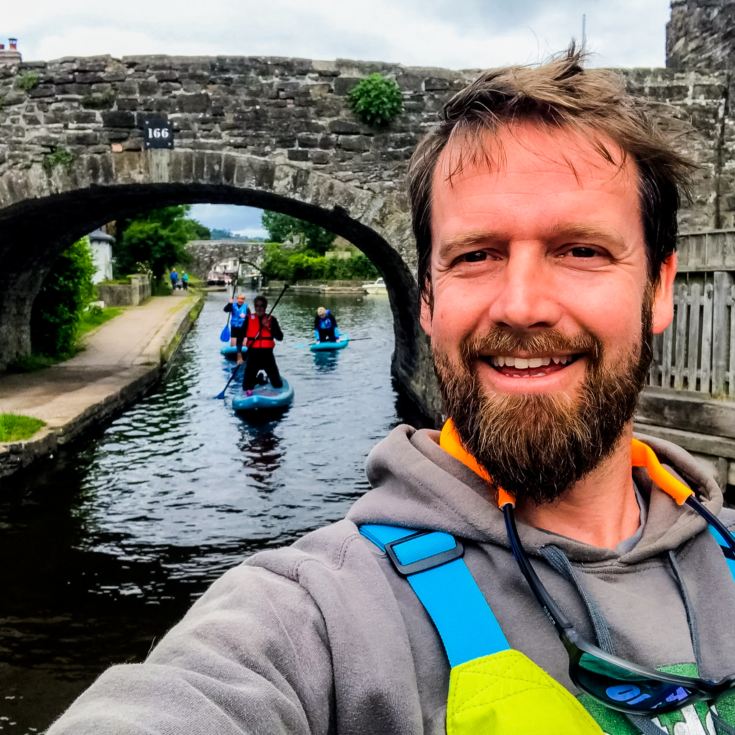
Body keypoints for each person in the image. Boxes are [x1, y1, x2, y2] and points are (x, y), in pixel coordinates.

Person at [47, 47, 735, 735]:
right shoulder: (313, 611)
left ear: (659, 287)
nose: (523, 306)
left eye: (581, 250)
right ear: (427, 301)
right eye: (476, 255)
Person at [242, 294, 284, 393]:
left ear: (265, 307)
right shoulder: (248, 319)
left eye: (261, 306)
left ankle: (264, 379)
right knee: (246, 386)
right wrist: (240, 355)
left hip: (267, 356)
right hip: (253, 355)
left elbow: (280, 337)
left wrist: (269, 327)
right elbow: (240, 335)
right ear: (254, 307)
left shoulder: (272, 320)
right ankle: (259, 379)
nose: (259, 308)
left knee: (277, 384)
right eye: (257, 306)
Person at [223, 293, 250, 364]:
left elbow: (250, 317)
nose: (241, 300)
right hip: (234, 326)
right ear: (237, 299)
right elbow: (225, 310)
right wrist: (229, 303)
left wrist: (246, 316)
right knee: (235, 342)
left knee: (241, 341)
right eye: (240, 298)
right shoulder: (232, 305)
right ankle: (237, 355)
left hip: (243, 326)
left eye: (243, 299)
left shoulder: (246, 307)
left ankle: (241, 355)